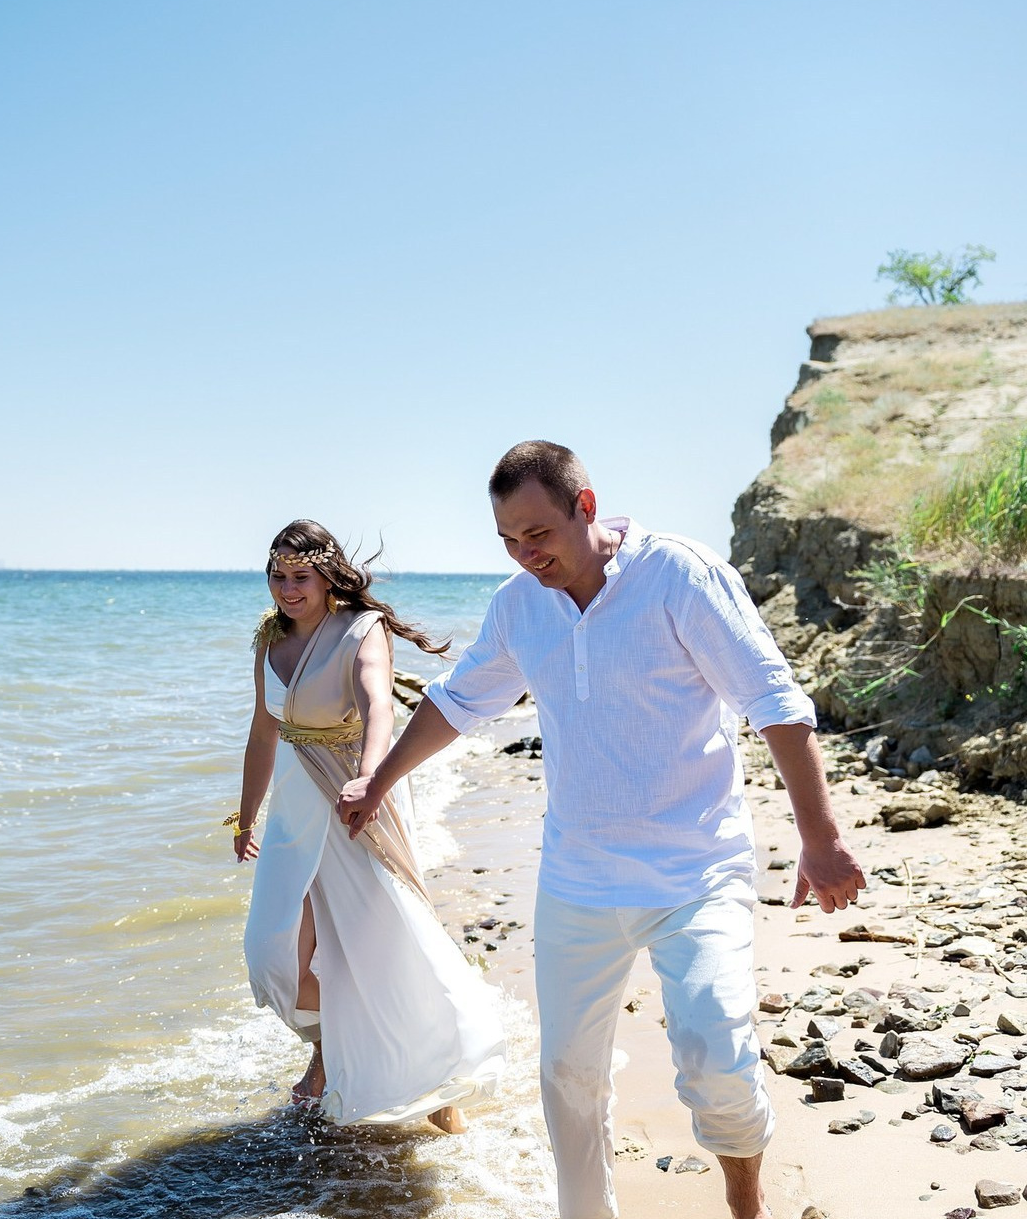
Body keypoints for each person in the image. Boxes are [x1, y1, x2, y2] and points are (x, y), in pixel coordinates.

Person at [338, 441, 865, 1219]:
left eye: (539, 534)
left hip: (695, 873)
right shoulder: (520, 605)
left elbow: (774, 700)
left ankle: (746, 1207)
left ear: (586, 507)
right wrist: (378, 781)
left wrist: (820, 839)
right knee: (567, 1079)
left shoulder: (679, 576)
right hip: (577, 880)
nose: (526, 556)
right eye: (509, 541)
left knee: (717, 1060)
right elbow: (458, 700)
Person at [232, 519, 505, 1133]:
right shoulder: (269, 638)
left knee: (388, 942)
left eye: (301, 577)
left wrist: (368, 778)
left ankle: (437, 1069)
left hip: (355, 797)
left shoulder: (362, 628)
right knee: (272, 957)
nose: (287, 589)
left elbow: (378, 703)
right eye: (277, 576)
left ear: (328, 576)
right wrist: (243, 817)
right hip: (295, 806)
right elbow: (262, 731)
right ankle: (332, 1044)